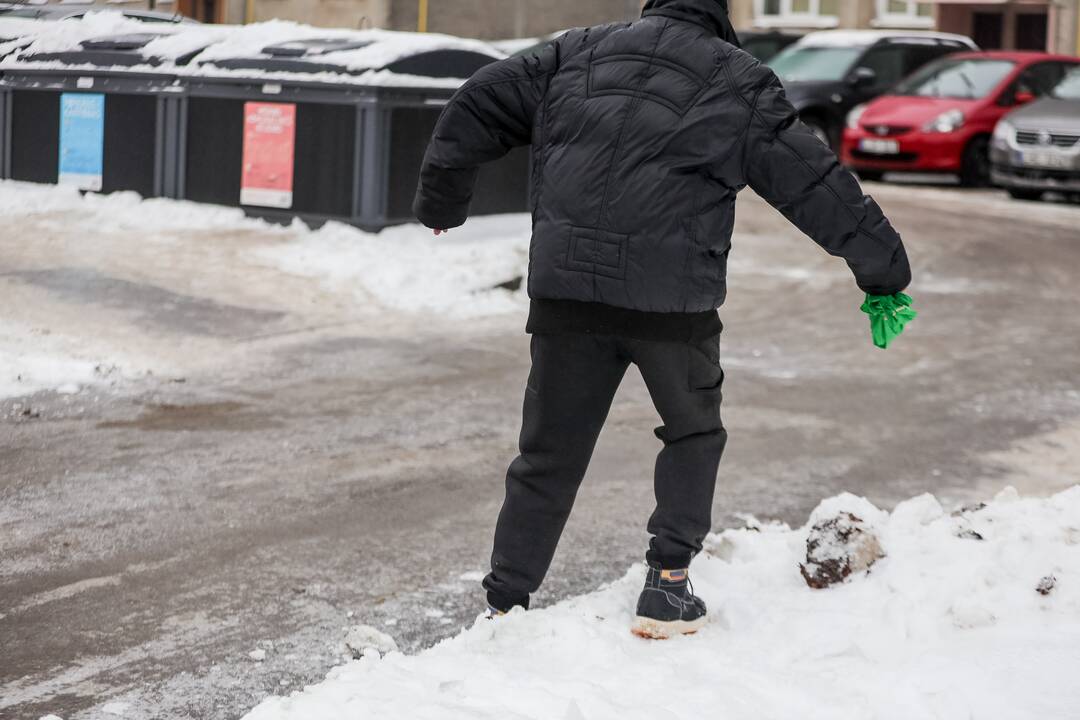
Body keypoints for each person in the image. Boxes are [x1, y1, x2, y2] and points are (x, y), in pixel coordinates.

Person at [413, 0, 911, 639]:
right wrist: (882, 272)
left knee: (547, 455)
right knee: (692, 433)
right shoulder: (739, 79)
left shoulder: (574, 51)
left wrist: (442, 201)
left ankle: (505, 605)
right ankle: (667, 586)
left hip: (568, 292)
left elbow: (475, 102)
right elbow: (815, 184)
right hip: (671, 305)